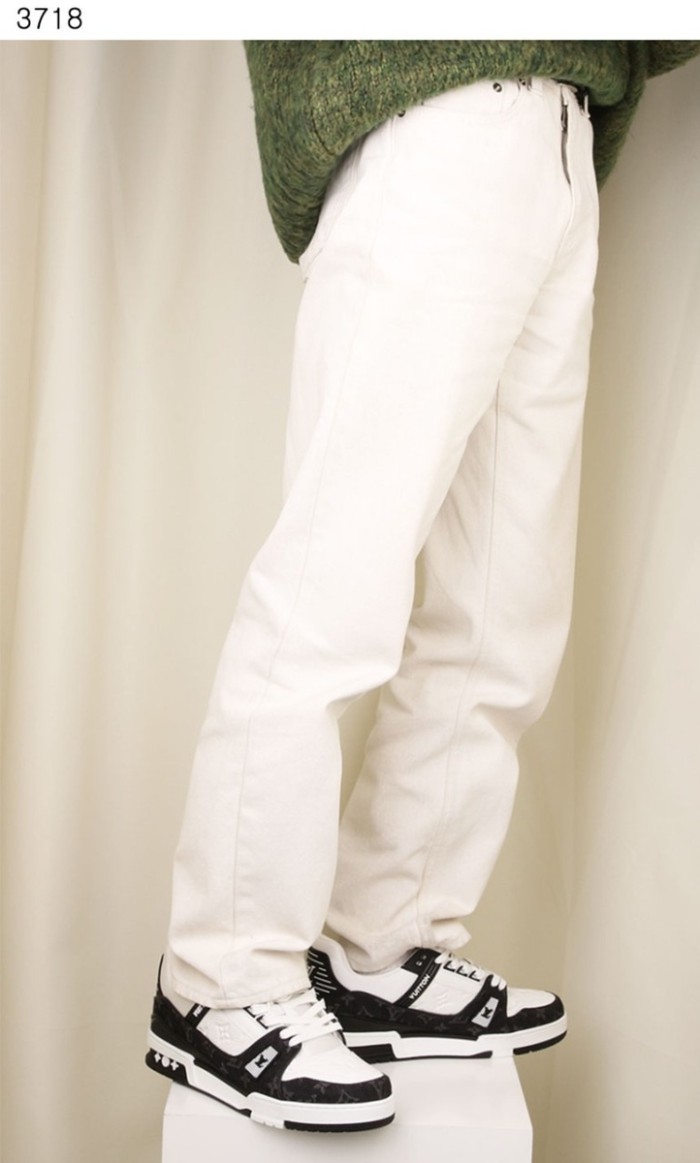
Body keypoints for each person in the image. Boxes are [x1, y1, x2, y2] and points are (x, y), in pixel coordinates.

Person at [146, 41, 700, 1132]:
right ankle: (219, 976)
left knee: (503, 612)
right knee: (330, 591)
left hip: (561, 136)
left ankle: (385, 940)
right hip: (435, 105)